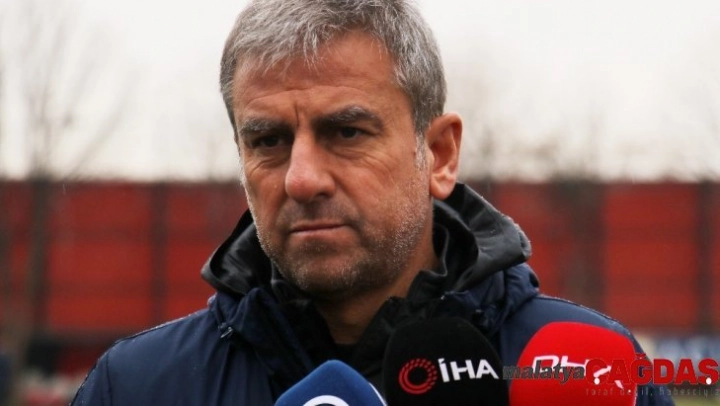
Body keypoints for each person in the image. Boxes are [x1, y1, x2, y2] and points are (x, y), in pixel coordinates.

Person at [72, 0, 674, 404]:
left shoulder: (592, 377)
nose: (301, 179)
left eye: (346, 132)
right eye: (268, 141)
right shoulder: (137, 387)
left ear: (438, 154)